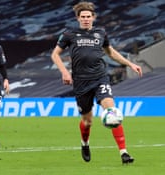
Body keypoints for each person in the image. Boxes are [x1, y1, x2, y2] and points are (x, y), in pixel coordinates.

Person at [50, 1, 142, 164]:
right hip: (80, 82)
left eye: (88, 16)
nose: (86, 19)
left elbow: (111, 52)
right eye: (83, 17)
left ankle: (124, 152)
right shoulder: (69, 34)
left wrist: (130, 63)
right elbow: (55, 54)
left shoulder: (101, 33)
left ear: (93, 17)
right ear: (78, 18)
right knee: (88, 121)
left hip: (100, 77)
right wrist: (64, 72)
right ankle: (85, 143)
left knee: (111, 110)